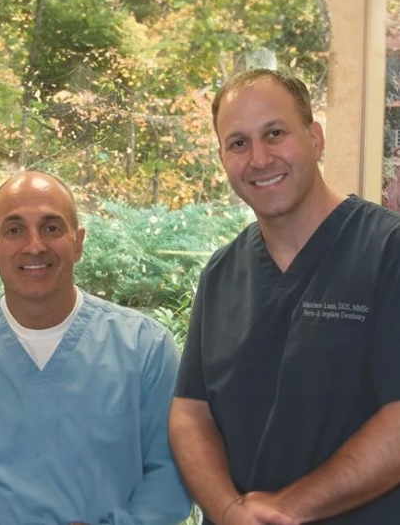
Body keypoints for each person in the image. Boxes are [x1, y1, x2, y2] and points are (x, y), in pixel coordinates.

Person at [168, 68, 400, 525]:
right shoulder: (221, 274)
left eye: (275, 133)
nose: (259, 158)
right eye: (238, 143)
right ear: (222, 157)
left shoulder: (386, 252)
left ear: (315, 138)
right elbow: (191, 414)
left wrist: (284, 510)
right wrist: (229, 510)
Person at [0, 170, 191, 525]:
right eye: (14, 230)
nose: (34, 245)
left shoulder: (146, 349)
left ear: (79, 242)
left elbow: (170, 475)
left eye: (52, 227)